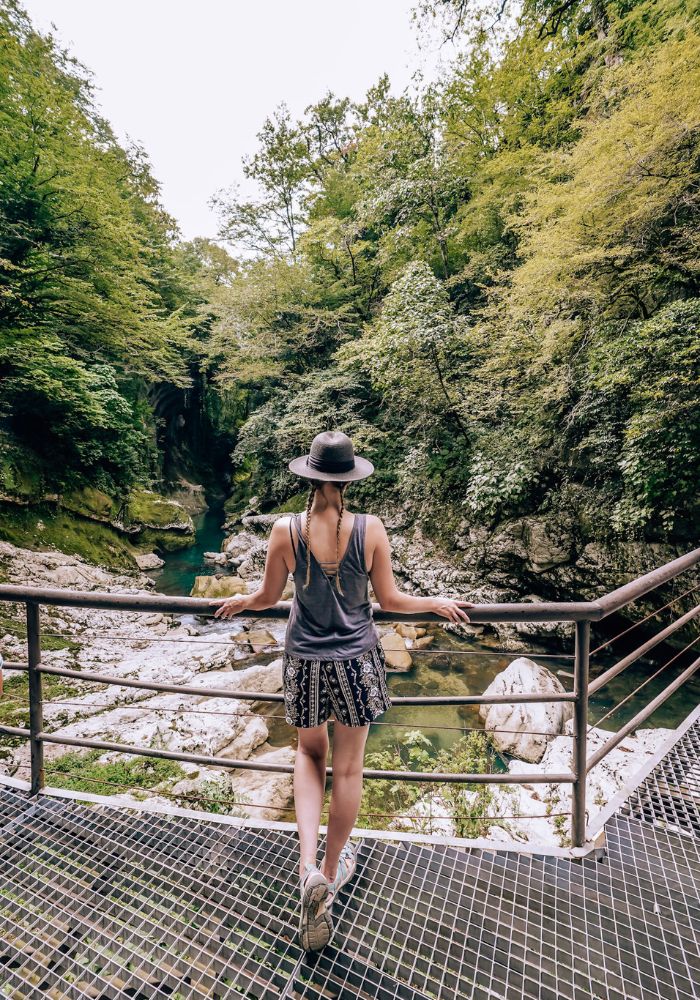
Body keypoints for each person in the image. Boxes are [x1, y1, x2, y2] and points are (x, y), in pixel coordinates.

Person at [212, 430, 473, 951]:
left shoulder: (285, 530)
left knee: (308, 756)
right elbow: (392, 601)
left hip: (304, 661)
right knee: (349, 768)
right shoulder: (370, 528)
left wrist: (241, 601)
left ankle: (307, 864)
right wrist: (436, 602)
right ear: (349, 479)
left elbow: (268, 596)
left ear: (308, 477)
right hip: (356, 661)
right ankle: (330, 875)